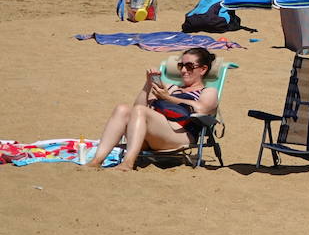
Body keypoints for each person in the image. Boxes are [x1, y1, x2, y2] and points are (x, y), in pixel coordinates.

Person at [85, 47, 220, 171]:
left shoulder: (208, 91)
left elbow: (202, 109)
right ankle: (97, 160)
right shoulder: (171, 88)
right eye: (181, 65)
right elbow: (138, 107)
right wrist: (148, 85)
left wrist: (169, 98)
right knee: (123, 109)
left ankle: (128, 163)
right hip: (151, 135)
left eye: (189, 66)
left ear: (202, 69)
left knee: (140, 111)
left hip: (180, 135)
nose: (184, 70)